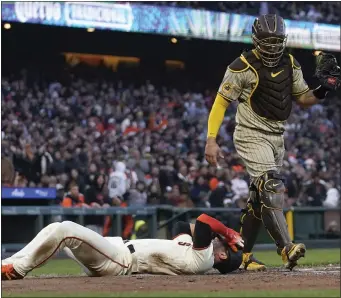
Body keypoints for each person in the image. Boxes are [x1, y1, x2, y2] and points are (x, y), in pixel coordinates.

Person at [204, 14, 340, 271]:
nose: (273, 46)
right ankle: (286, 247)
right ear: (256, 40)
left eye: (277, 41)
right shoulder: (241, 66)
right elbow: (221, 102)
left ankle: (243, 255)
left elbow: (303, 98)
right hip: (250, 133)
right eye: (268, 41)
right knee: (272, 184)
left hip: (277, 136)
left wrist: (323, 89)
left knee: (258, 199)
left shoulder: (290, 62)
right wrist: (211, 139)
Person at [1, 213, 243, 280]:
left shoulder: (204, 258)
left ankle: (17, 270)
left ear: (222, 254)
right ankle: (7, 265)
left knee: (64, 230)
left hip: (119, 261)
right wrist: (224, 236)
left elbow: (203, 221)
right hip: (116, 249)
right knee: (54, 229)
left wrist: (228, 233)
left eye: (222, 243)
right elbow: (181, 225)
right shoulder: (196, 250)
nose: (218, 239)